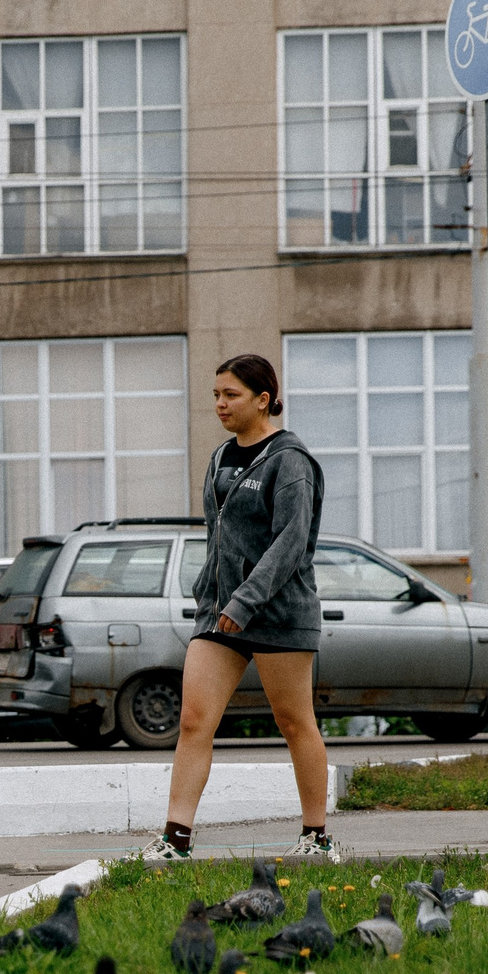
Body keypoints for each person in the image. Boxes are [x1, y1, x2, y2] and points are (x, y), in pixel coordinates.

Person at [138, 353, 340, 866]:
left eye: (231, 395)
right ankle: (176, 839)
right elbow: (217, 537)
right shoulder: (221, 457)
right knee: (193, 721)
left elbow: (291, 542)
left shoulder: (291, 460)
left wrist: (246, 600)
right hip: (220, 615)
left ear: (263, 399)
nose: (220, 405)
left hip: (276, 612)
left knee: (294, 722)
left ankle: (317, 837)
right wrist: (210, 595)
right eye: (216, 396)